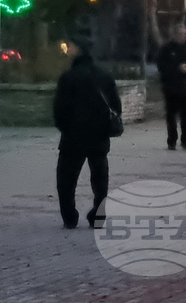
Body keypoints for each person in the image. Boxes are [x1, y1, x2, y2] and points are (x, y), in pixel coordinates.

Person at [53, 22, 122, 230]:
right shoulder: (104, 75)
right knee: (100, 179)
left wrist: (65, 127)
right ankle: (98, 216)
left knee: (66, 179)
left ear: (78, 50)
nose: (67, 50)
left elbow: (60, 109)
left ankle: (69, 217)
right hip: (99, 136)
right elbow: (115, 105)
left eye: (70, 47)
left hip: (73, 137)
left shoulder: (69, 77)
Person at [156, 23, 186, 150]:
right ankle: (172, 140)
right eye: (180, 34)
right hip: (170, 87)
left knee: (185, 115)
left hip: (184, 88)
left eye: (184, 34)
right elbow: (161, 66)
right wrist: (177, 69)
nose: (182, 36)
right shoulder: (167, 49)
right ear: (175, 35)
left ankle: (185, 139)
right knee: (171, 116)